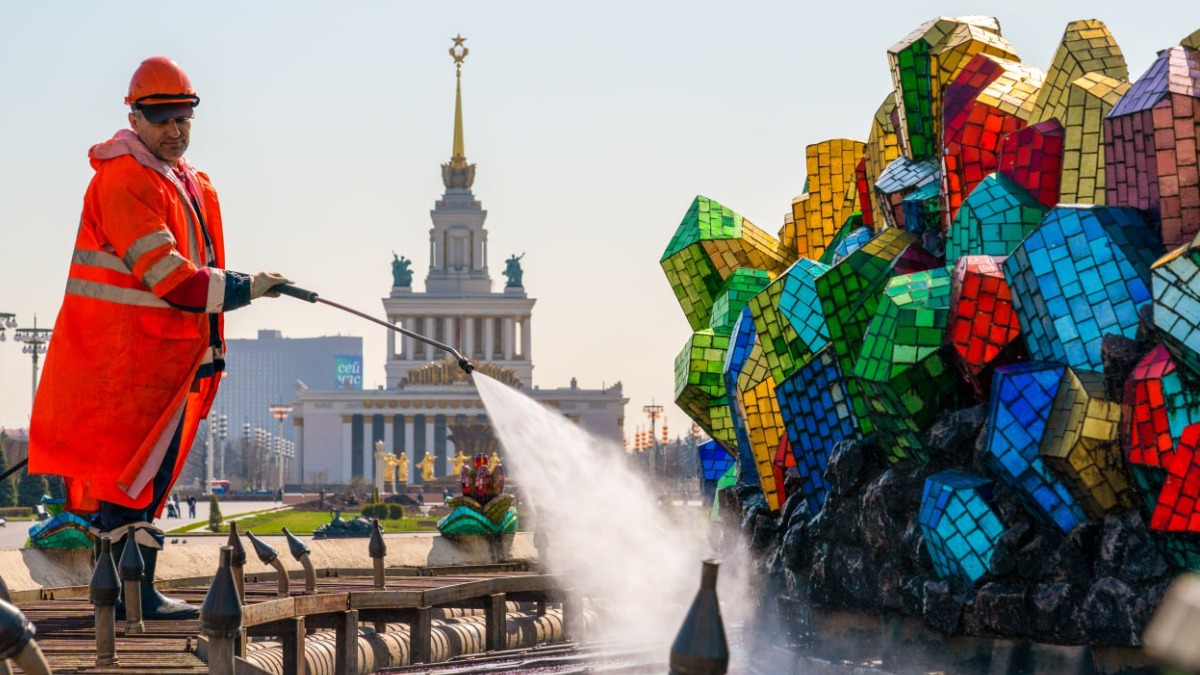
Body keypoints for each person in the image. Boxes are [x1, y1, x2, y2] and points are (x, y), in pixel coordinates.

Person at [27, 56, 290, 620]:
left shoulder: (181, 180)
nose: (175, 130)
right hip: (122, 361)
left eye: (183, 118)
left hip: (159, 357)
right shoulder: (125, 179)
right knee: (128, 480)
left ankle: (129, 594)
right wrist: (249, 288)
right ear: (136, 117)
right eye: (162, 118)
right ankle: (131, 597)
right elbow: (169, 276)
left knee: (144, 480)